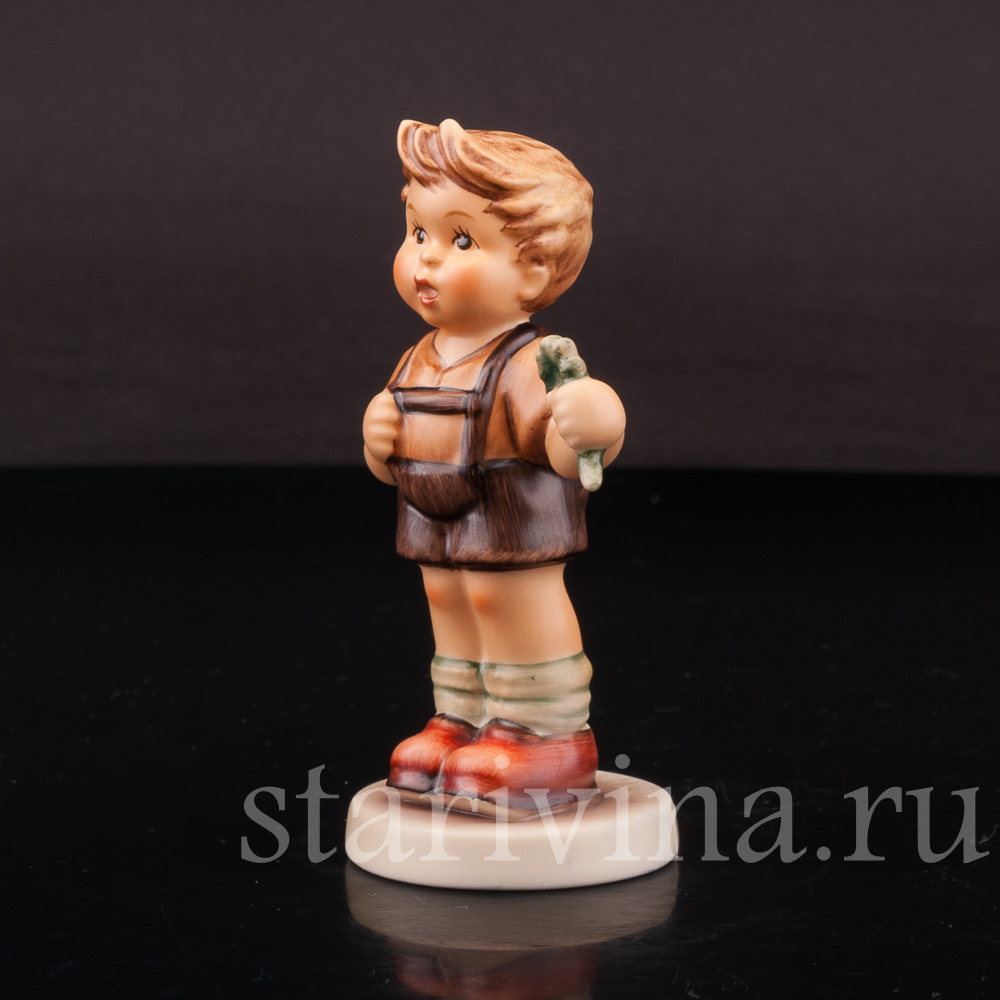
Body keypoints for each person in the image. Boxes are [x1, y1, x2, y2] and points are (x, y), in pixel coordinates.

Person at [362, 119, 626, 811]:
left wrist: (595, 421)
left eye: (461, 240)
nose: (425, 259)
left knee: (503, 602)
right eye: (417, 232)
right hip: (434, 520)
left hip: (509, 521)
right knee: (448, 600)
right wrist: (378, 440)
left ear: (533, 268)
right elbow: (390, 459)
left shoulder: (526, 362)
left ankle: (545, 732)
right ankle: (460, 716)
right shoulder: (420, 356)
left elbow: (565, 450)